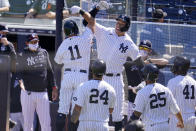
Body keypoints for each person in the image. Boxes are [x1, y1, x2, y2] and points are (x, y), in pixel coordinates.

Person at [70, 3, 143, 130]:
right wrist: (89, 9)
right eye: (118, 22)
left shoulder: (129, 43)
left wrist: (143, 81)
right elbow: (89, 21)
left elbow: (139, 63)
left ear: (127, 26)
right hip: (99, 78)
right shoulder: (105, 32)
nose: (118, 25)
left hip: (116, 79)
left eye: (121, 23)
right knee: (92, 109)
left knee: (117, 116)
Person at [54, 19, 94, 131]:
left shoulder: (64, 43)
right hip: (81, 77)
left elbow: (57, 61)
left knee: (62, 109)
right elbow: (90, 25)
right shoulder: (84, 39)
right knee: (76, 110)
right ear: (76, 29)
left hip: (68, 75)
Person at [17, 33, 58, 131]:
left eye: (36, 41)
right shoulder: (22, 55)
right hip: (28, 93)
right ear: (27, 43)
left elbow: (50, 71)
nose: (35, 43)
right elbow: (19, 73)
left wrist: (54, 87)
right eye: (32, 42)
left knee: (46, 124)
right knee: (27, 125)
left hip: (42, 93)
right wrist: (21, 82)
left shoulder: (44, 52)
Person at [129, 64, 184, 131]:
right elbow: (176, 110)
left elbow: (136, 114)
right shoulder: (165, 89)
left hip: (150, 127)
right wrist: (181, 121)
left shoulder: (142, 92)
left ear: (146, 76)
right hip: (165, 127)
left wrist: (128, 126)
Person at [71, 59, 116, 131]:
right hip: (102, 125)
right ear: (104, 72)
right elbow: (110, 110)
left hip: (85, 125)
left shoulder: (83, 86)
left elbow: (77, 108)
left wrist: (72, 123)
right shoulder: (111, 89)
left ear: (92, 71)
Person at [167, 56, 196, 131]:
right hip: (191, 119)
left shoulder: (172, 82)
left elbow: (167, 102)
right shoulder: (194, 82)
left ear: (179, 68)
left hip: (177, 119)